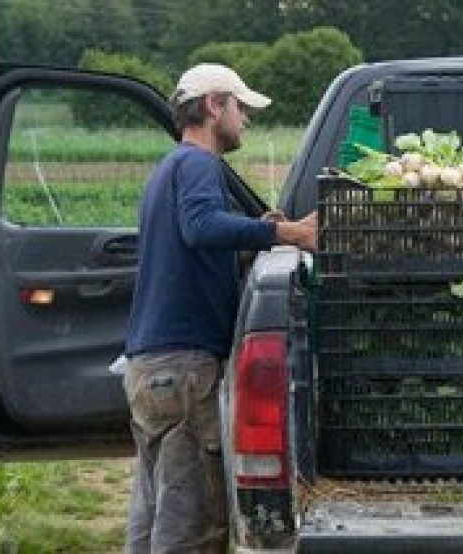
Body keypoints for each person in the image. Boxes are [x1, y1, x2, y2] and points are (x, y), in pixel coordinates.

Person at [122, 63, 316, 553]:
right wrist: (284, 232)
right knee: (193, 527)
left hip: (152, 371)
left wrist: (250, 241)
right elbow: (202, 226)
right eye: (240, 107)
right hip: (185, 374)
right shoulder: (198, 164)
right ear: (214, 105)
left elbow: (195, 245)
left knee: (152, 520)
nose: (245, 120)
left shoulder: (168, 169)